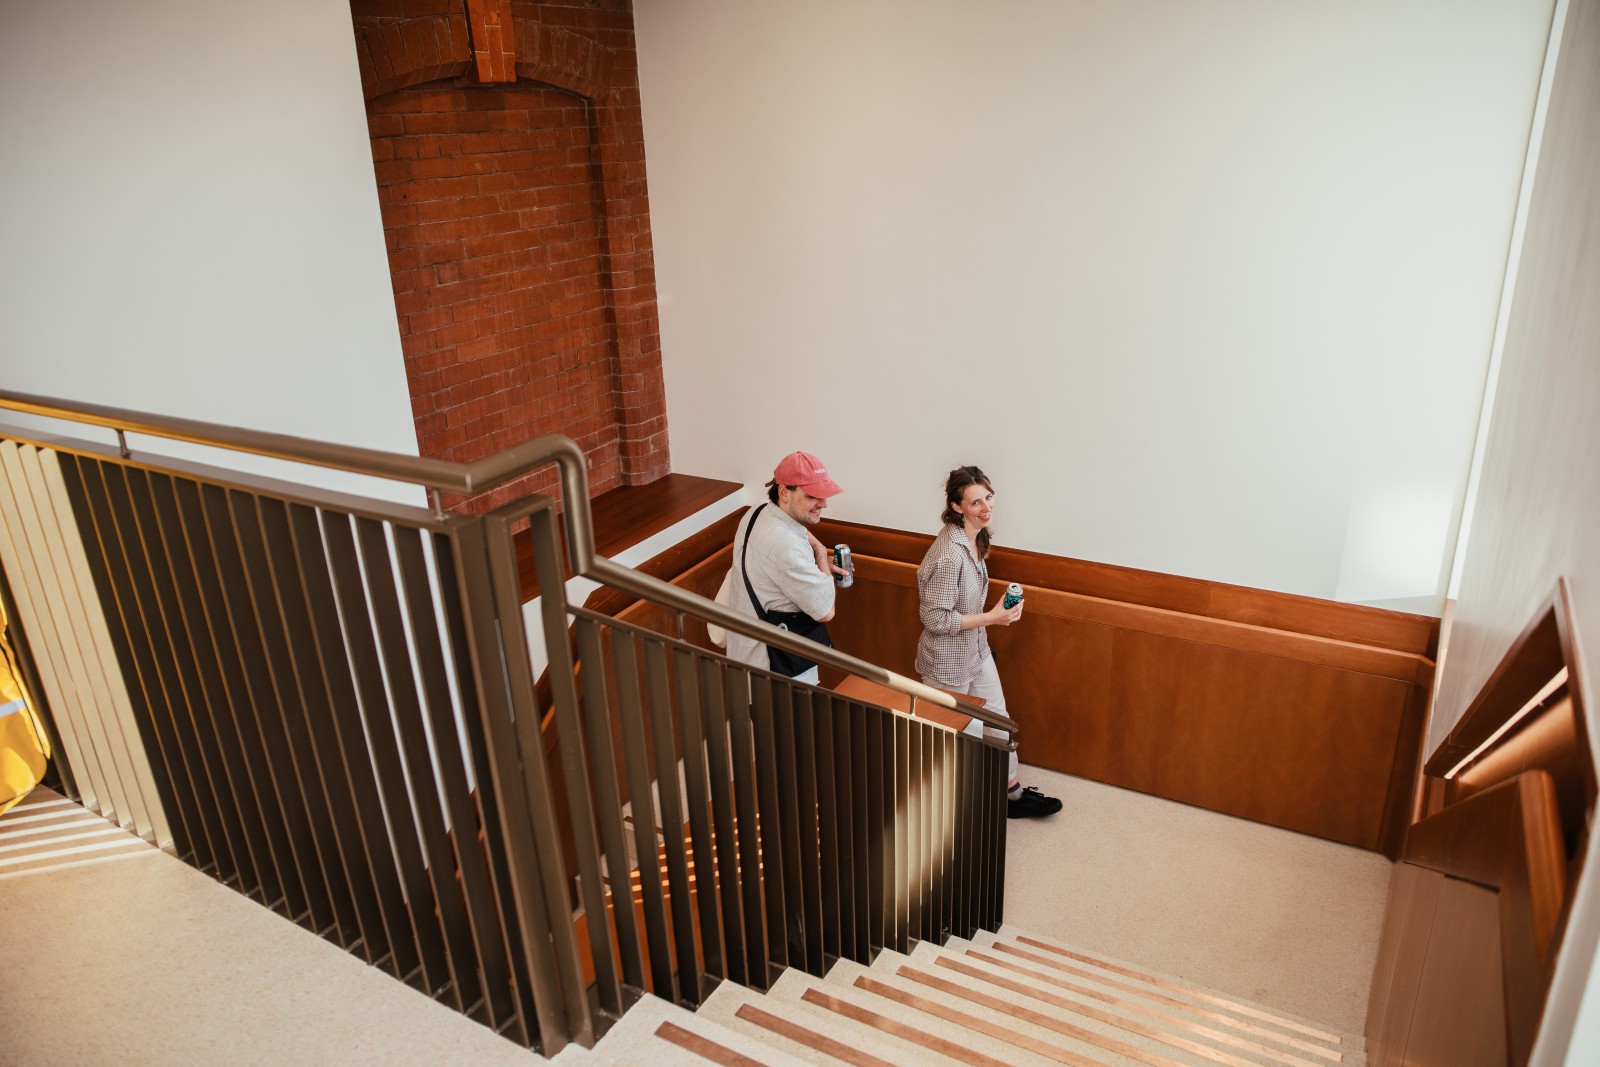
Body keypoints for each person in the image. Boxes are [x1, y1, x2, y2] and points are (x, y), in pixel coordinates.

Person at [916, 465, 1062, 819]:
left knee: (999, 719)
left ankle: (1011, 794)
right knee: (959, 735)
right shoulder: (949, 554)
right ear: (956, 506)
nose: (986, 507)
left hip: (976, 651)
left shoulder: (975, 538)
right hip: (948, 661)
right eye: (975, 502)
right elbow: (934, 618)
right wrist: (992, 617)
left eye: (988, 498)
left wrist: (992, 619)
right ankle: (954, 811)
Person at [725, 451, 845, 685]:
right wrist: (821, 554)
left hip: (745, 651)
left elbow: (794, 535)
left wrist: (817, 562)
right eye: (813, 496)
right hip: (776, 667)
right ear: (784, 492)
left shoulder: (759, 510)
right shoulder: (786, 547)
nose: (824, 504)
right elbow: (825, 611)